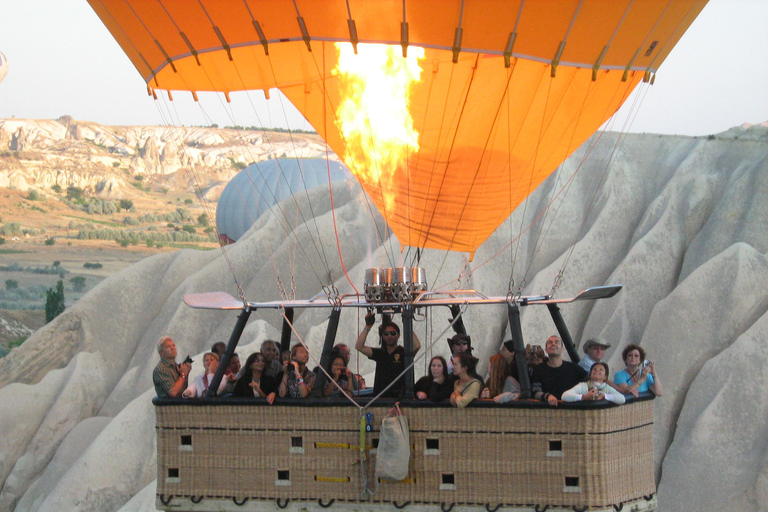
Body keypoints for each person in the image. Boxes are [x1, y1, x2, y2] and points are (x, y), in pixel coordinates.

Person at [355, 313, 420, 398]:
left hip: (399, 398)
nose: (389, 336)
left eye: (392, 333)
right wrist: (368, 326)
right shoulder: (380, 353)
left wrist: (406, 323)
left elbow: (417, 346)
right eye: (386, 334)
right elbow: (359, 346)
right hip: (380, 398)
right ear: (382, 336)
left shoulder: (404, 352)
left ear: (398, 336)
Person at [531, 335, 588, 407]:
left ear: (562, 349)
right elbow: (535, 392)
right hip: (548, 410)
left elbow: (590, 381)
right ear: (546, 350)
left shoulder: (574, 368)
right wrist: (547, 396)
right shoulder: (539, 369)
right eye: (550, 342)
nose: (553, 344)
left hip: (572, 410)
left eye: (557, 342)